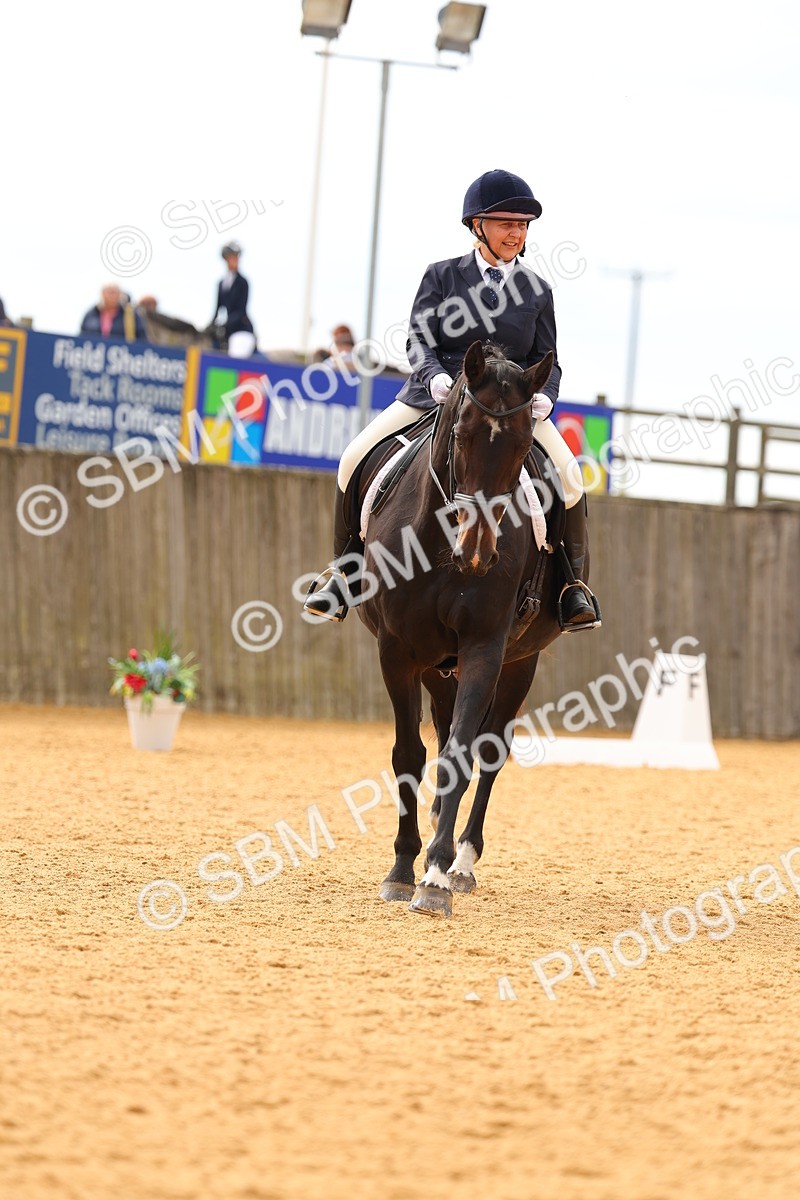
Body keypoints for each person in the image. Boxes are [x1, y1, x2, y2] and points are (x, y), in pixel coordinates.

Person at [304, 169, 600, 631]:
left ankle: (570, 587)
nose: (516, 233)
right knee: (351, 458)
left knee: (570, 476)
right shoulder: (442, 276)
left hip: (507, 409)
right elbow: (419, 339)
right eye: (507, 224)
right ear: (478, 225)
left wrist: (546, 397)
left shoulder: (537, 291)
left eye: (523, 225)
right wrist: (435, 376)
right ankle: (343, 573)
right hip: (435, 396)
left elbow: (549, 359)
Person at [209, 241, 254, 350]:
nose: (234, 260)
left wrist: (225, 324)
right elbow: (218, 309)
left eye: (236, 257)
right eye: (231, 257)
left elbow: (241, 310)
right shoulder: (221, 283)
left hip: (240, 330)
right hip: (227, 331)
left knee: (236, 351)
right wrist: (210, 325)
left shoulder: (243, 282)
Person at [80, 283, 147, 341]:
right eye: (109, 292)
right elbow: (82, 335)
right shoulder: (91, 314)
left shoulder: (130, 314)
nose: (112, 296)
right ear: (102, 294)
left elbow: (141, 338)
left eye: (115, 292)